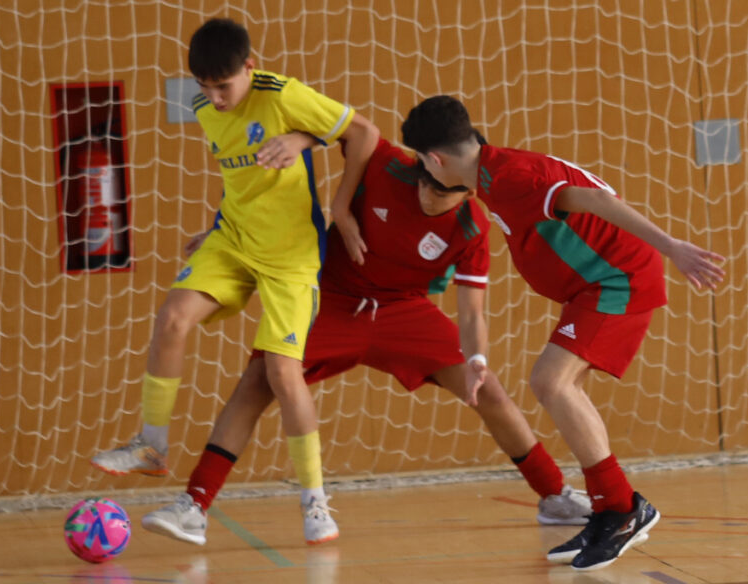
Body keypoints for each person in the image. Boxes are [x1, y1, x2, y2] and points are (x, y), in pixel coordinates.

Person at [138, 133, 592, 546]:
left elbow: (471, 309)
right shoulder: (385, 164)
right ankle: (194, 506)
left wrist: (476, 359)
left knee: (488, 390)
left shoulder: (473, 226)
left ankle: (553, 495)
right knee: (256, 383)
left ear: (468, 189)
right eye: (425, 183)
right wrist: (240, 222)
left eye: (440, 193)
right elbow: (339, 124)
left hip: (404, 311)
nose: (427, 195)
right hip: (330, 300)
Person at [400, 95, 726, 571]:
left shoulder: (509, 177)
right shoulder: (492, 173)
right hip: (594, 285)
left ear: (434, 160)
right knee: (560, 386)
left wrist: (671, 246)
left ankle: (623, 509)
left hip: (618, 278)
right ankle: (611, 508)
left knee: (550, 381)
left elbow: (596, 199)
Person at [90, 18, 379, 544]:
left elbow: (364, 133)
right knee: (172, 318)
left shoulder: (281, 94)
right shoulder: (205, 109)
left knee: (282, 373)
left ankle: (315, 502)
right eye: (205, 87)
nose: (215, 98)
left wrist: (332, 192)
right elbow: (240, 178)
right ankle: (152, 446)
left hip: (290, 255)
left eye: (223, 86)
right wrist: (216, 225)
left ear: (250, 66)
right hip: (233, 239)